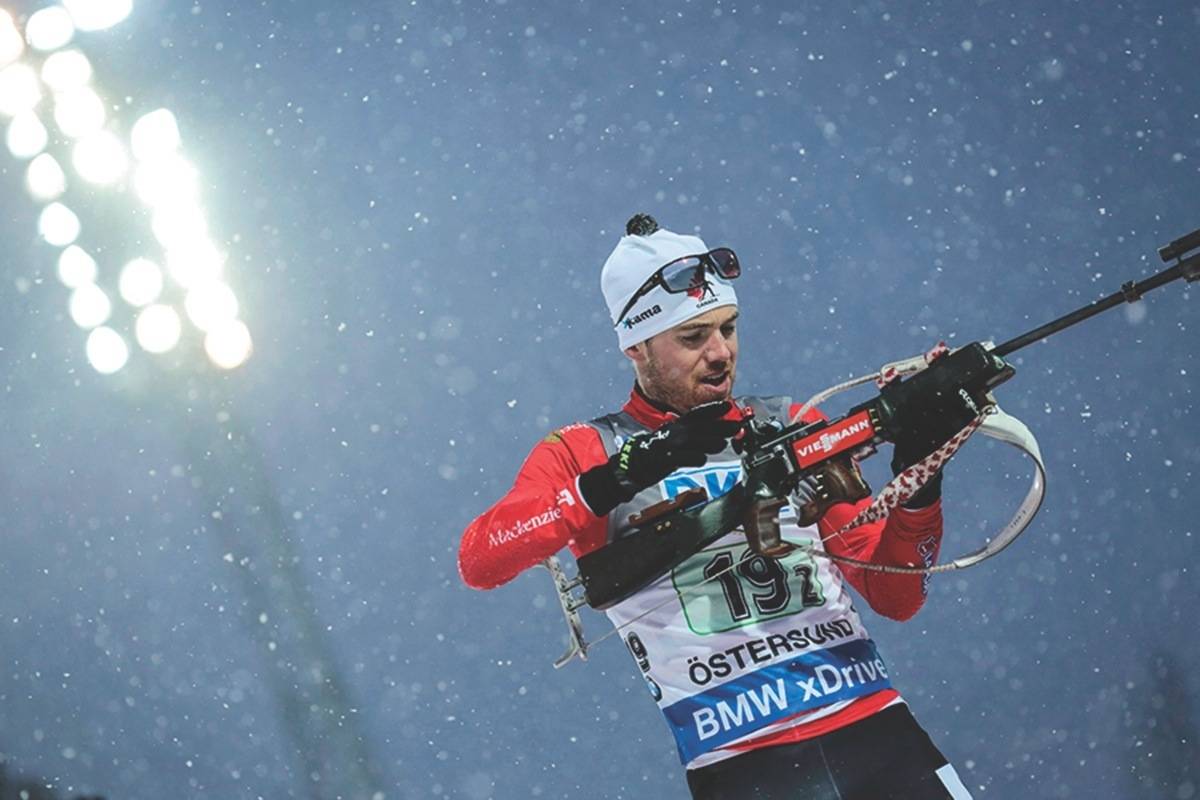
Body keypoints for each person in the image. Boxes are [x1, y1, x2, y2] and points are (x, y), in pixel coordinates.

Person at [458, 214, 975, 799]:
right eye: (692, 337)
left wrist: (920, 483)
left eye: (728, 328)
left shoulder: (786, 421)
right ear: (635, 345)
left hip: (879, 737)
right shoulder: (584, 451)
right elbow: (480, 559)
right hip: (742, 767)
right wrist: (619, 477)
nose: (720, 352)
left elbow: (897, 596)